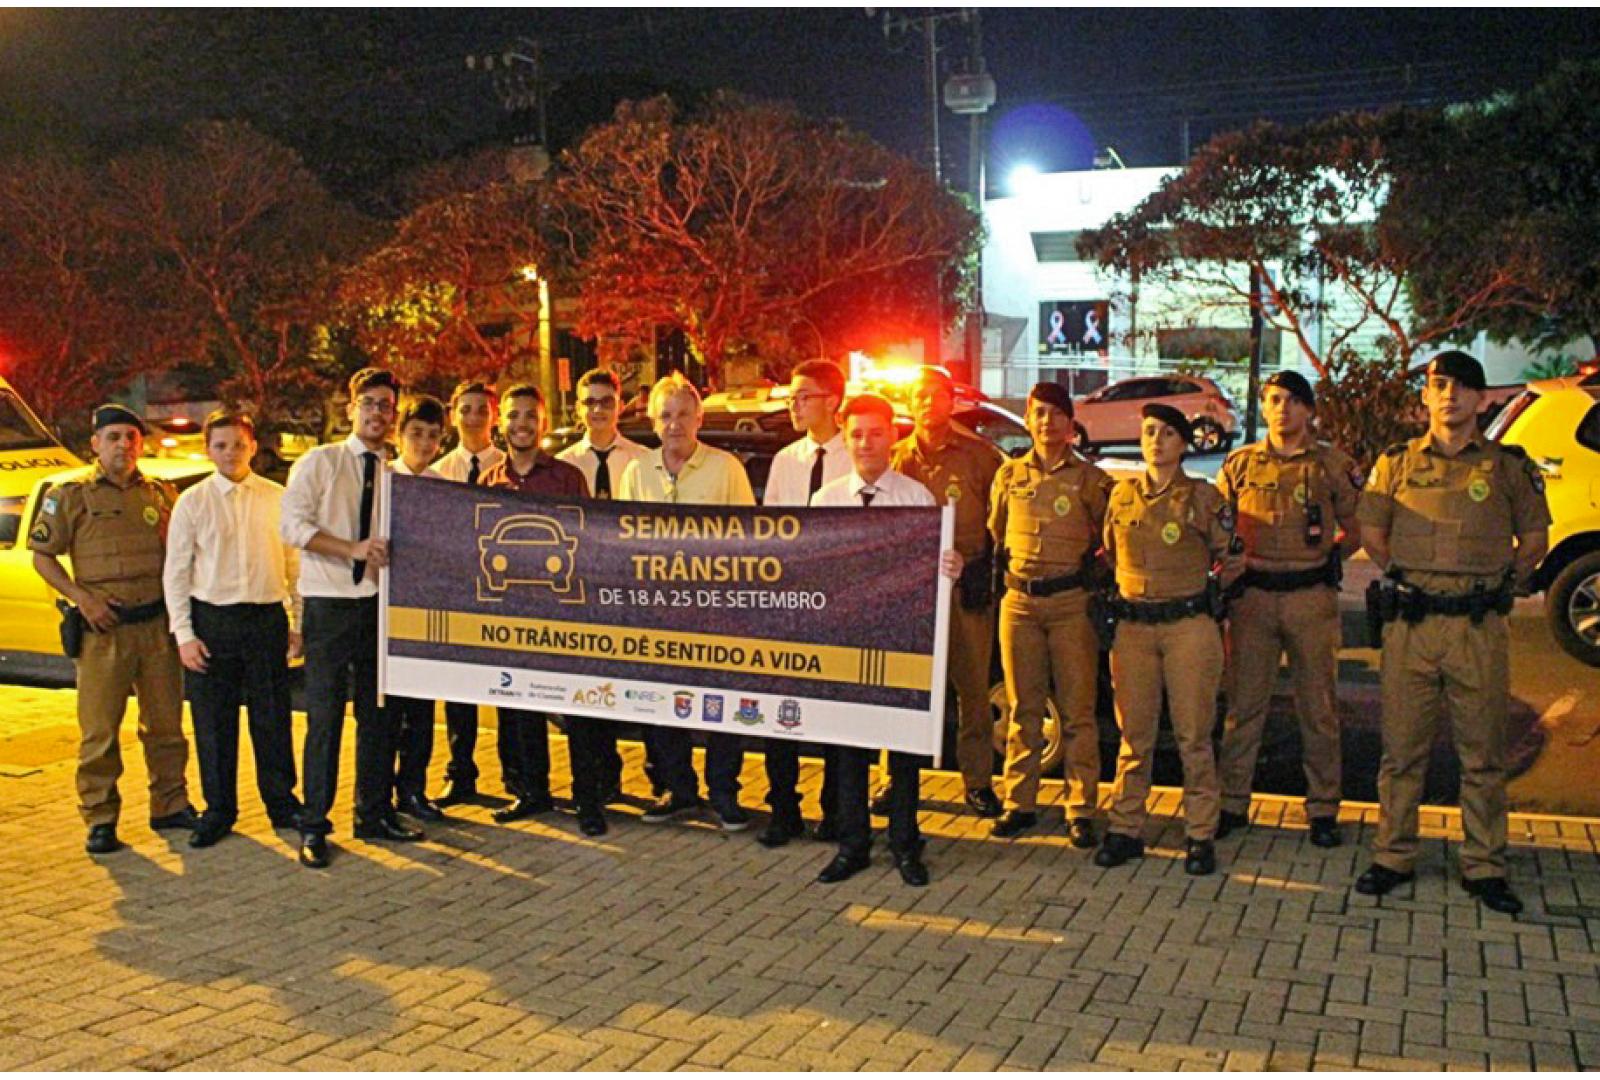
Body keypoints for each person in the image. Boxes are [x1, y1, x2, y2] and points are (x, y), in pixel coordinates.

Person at [1355, 350, 1548, 915]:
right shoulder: (1395, 462)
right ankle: (1393, 855)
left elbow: (1533, 541)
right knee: (1401, 749)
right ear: (1424, 397)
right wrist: (1407, 577)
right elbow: (1372, 530)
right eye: (1439, 385)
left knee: (1484, 752)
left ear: (1482, 400)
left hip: (1477, 626)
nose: (1449, 396)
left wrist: (1499, 585)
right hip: (1411, 624)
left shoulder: (1508, 466)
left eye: (1462, 387)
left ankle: (1484, 864)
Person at [29, 403, 196, 855]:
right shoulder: (69, 495)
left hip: (156, 627)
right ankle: (101, 817)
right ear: (96, 444)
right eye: (115, 437)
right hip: (103, 630)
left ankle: (170, 804)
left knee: (166, 727)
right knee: (100, 732)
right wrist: (82, 598)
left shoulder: (161, 494)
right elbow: (43, 557)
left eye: (131, 437)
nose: (124, 445)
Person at [812, 393, 962, 888]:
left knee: (903, 749)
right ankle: (853, 845)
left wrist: (949, 568)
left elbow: (930, 570)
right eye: (856, 434)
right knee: (849, 748)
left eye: (876, 433)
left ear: (893, 437)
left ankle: (904, 842)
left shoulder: (916, 497)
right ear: (845, 438)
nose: (865, 443)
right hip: (847, 639)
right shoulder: (825, 500)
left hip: (900, 638)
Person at [280, 367, 422, 869]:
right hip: (329, 606)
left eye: (387, 405)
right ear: (351, 408)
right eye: (370, 403)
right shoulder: (320, 463)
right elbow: (292, 526)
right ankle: (314, 824)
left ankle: (374, 812)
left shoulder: (397, 476)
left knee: (380, 717)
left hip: (377, 609)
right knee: (324, 720)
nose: (378, 412)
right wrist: (352, 549)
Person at [1215, 371, 1363, 848]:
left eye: (1293, 401)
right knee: (1243, 706)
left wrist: (1325, 562)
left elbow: (1356, 527)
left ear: (1308, 411)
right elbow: (1219, 525)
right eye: (1274, 400)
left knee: (1317, 708)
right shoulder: (1240, 465)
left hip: (1309, 599)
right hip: (1253, 600)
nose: (1282, 409)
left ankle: (1322, 808)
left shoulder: (1330, 465)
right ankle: (1233, 802)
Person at [1095, 403, 1242, 876]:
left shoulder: (1204, 498)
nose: (1155, 440)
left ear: (1182, 444)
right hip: (1134, 628)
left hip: (1187, 628)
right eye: (1149, 432)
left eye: (1166, 434)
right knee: (1133, 736)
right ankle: (1126, 828)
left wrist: (1213, 594)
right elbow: (1112, 554)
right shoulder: (1122, 496)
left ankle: (1200, 832)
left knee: (1193, 735)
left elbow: (1230, 557)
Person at [617, 372, 756, 831]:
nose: (674, 424)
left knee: (721, 705)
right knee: (660, 702)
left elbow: (750, 540)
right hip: (657, 614)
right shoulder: (637, 471)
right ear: (654, 422)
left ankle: (724, 795)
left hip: (716, 613)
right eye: (665, 415)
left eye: (682, 414)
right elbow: (623, 538)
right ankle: (678, 790)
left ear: (699, 417)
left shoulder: (726, 469)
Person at [162, 410, 303, 849]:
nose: (230, 453)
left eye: (238, 444)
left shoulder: (278, 497)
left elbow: (295, 565)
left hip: (265, 620)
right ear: (208, 450)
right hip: (212, 622)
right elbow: (176, 572)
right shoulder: (193, 501)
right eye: (221, 445)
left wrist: (296, 624)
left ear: (253, 446)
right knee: (213, 723)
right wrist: (184, 635)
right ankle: (219, 809)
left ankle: (283, 804)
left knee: (273, 717)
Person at [988, 383, 1113, 845]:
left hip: (1070, 605)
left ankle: (1080, 807)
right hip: (1018, 604)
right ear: (1028, 417)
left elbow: (1109, 542)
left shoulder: (1090, 481)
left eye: (1056, 414)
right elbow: (996, 533)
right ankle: (1019, 802)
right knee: (1023, 708)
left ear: (1070, 422)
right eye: (1039, 414)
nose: (1047, 423)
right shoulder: (1010, 475)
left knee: (1079, 711)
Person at [478, 384, 603, 833]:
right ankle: (530, 792)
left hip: (563, 614)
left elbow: (588, 541)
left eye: (531, 415)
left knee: (577, 710)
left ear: (544, 422)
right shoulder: (489, 482)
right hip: (512, 616)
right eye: (514, 416)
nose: (522, 423)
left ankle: (588, 800)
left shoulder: (568, 478)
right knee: (517, 707)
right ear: (502, 424)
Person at [886, 367, 1005, 818]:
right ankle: (892, 781)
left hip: (964, 587)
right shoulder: (896, 458)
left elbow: (1002, 524)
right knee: (902, 689)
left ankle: (977, 783)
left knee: (972, 689)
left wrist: (982, 573)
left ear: (951, 401)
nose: (927, 403)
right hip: (910, 594)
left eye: (937, 395)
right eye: (919, 395)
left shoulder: (980, 458)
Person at [755, 359, 853, 849]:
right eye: (791, 397)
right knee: (781, 709)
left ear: (832, 401)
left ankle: (835, 808)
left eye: (803, 396)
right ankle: (783, 808)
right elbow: (772, 531)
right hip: (788, 603)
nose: (794, 404)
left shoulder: (855, 457)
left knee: (834, 710)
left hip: (838, 602)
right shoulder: (785, 461)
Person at [556, 367, 650, 804]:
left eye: (605, 401)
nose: (597, 410)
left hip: (629, 590)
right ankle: (597, 779)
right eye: (589, 402)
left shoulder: (641, 460)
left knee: (638, 689)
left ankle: (659, 776)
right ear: (577, 408)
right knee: (588, 692)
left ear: (620, 405)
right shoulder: (563, 465)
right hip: (582, 592)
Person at [431, 380, 506, 806]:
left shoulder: (508, 469)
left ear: (493, 415)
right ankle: (460, 774)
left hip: (498, 596)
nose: (474, 417)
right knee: (458, 695)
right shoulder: (439, 472)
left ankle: (515, 778)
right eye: (466, 409)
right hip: (457, 598)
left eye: (482, 409)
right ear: (454, 413)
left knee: (506, 692)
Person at [384, 394, 449, 824]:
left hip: (427, 615)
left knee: (422, 714)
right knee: (386, 716)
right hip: (385, 615)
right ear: (398, 435)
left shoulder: (446, 489)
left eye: (431, 435)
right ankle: (378, 793)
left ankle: (414, 789)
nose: (422, 443)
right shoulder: (383, 481)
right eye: (415, 434)